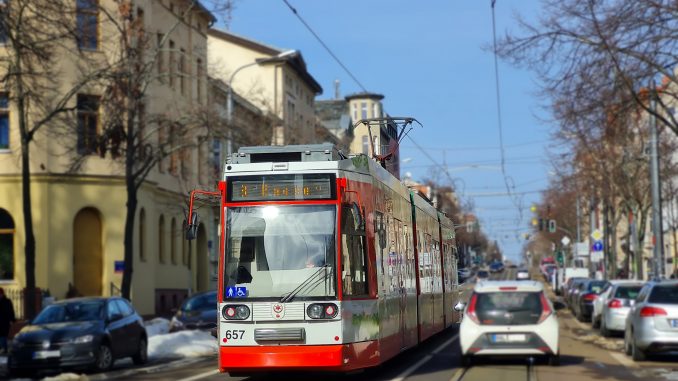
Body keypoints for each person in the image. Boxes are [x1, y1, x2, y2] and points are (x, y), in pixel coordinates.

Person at [0, 287, 15, 354]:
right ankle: (3, 348)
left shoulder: (7, 301)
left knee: (3, 335)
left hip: (4, 321)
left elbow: (10, 311)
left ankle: (4, 348)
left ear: (2, 294)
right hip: (2, 321)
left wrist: (11, 320)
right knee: (2, 335)